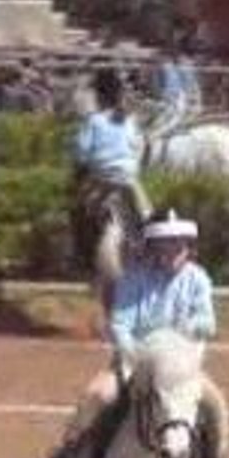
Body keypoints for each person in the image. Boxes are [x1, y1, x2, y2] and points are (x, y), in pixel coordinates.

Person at [38, 209, 229, 458]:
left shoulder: (198, 279)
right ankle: (65, 457)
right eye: (165, 244)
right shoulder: (134, 279)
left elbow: (208, 323)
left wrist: (184, 327)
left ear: (188, 247)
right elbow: (120, 324)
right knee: (97, 395)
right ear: (153, 248)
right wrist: (133, 356)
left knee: (216, 403)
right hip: (135, 361)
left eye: (178, 244)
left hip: (179, 366)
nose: (172, 250)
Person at [70, 68, 151, 304]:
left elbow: (82, 155)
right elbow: (139, 150)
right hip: (130, 182)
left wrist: (77, 181)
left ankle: (83, 262)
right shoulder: (131, 122)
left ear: (99, 95)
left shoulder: (93, 121)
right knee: (149, 220)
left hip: (101, 181)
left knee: (77, 215)